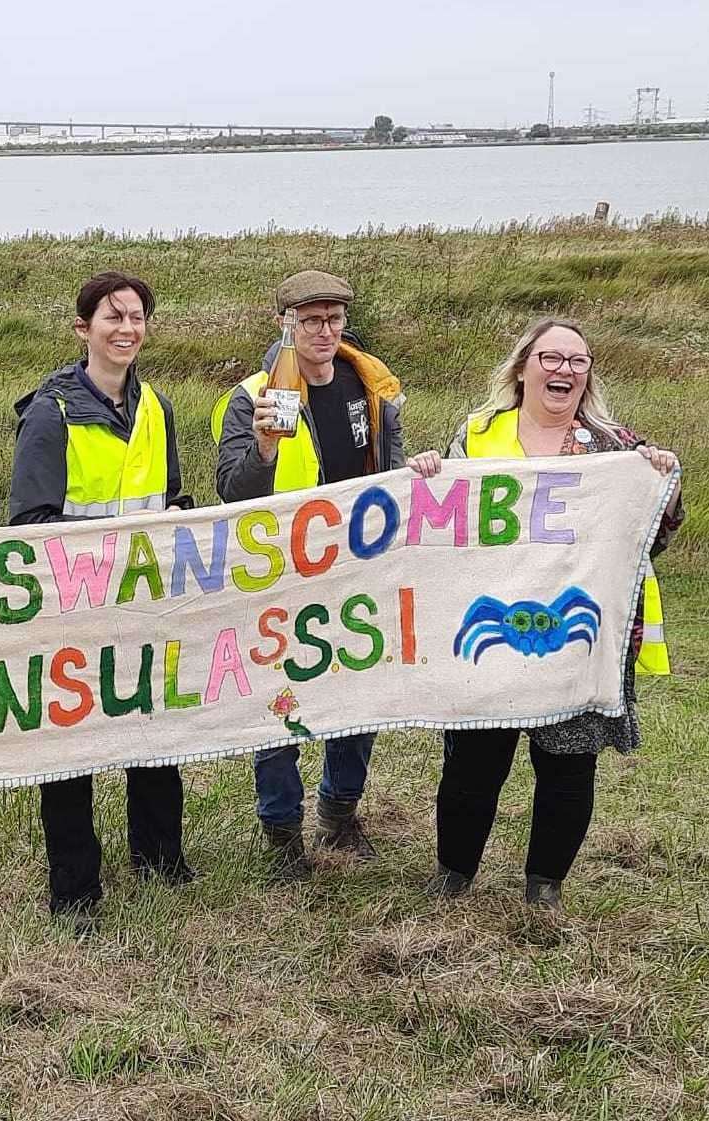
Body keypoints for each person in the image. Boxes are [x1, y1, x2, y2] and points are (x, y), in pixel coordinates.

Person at [410, 317, 683, 910]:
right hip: (490, 628)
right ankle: (454, 872)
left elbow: (654, 534)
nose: (564, 370)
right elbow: (440, 520)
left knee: (567, 760)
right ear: (523, 367)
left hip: (574, 632)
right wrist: (428, 473)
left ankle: (545, 886)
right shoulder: (477, 435)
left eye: (578, 361)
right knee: (474, 760)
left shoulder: (616, 447)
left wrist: (660, 480)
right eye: (552, 358)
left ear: (588, 375)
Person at [9, 270, 195, 930]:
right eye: (112, 316)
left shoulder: (157, 407)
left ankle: (160, 856)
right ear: (82, 327)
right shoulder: (49, 412)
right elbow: (29, 522)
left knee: (155, 726)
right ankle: (75, 887)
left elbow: (170, 494)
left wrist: (178, 517)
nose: (126, 327)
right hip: (70, 608)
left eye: (137, 316)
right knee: (71, 749)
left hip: (143, 602)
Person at [212, 269, 407, 879]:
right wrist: (265, 448)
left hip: (358, 569)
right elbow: (230, 490)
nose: (325, 331)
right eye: (311, 320)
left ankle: (340, 811)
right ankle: (281, 829)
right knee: (281, 700)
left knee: (361, 695)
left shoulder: (373, 386)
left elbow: (391, 477)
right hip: (280, 576)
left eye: (334, 319)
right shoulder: (250, 397)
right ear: (284, 324)